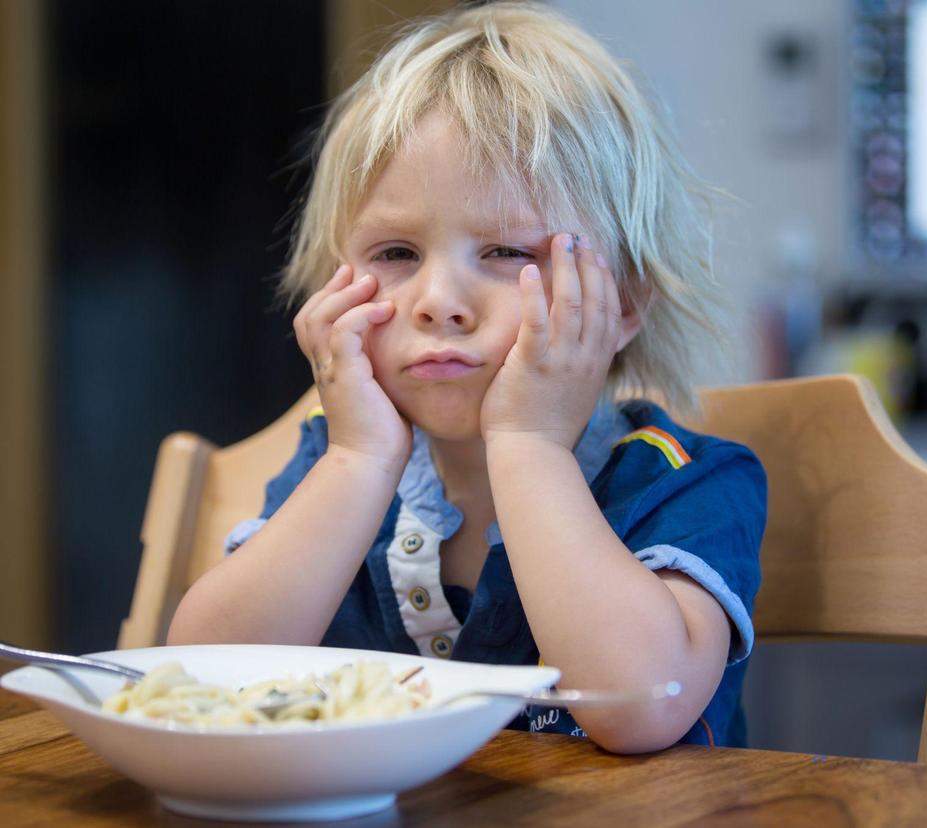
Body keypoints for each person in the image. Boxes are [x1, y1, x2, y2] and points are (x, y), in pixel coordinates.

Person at [167, 1, 766, 754]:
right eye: (394, 255)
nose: (438, 303)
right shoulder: (335, 468)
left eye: (508, 252)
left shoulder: (685, 482)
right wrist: (358, 463)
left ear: (624, 304)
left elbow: (643, 704)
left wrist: (530, 446)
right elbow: (202, 678)